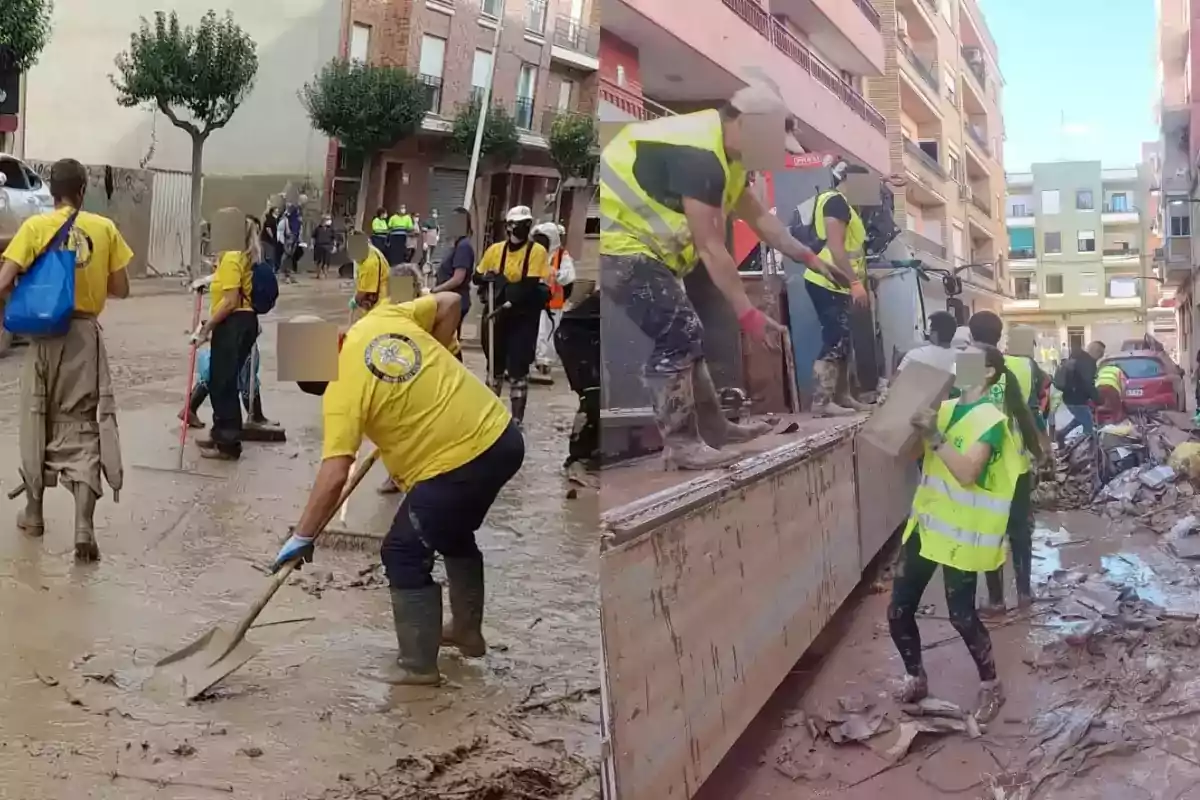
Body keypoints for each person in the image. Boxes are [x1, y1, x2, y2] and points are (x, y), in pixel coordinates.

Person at [272, 293, 525, 686]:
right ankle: (466, 632)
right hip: (502, 437)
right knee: (453, 530)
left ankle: (417, 666)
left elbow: (336, 472)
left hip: (459, 460)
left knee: (403, 550)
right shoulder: (382, 318)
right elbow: (450, 303)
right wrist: (432, 364)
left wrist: (302, 535)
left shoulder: (342, 391)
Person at [600, 82, 835, 470]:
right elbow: (710, 245)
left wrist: (808, 256)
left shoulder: (731, 159)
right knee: (680, 332)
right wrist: (747, 312)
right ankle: (682, 445)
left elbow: (760, 218)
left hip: (647, 250)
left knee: (685, 335)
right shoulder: (699, 155)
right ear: (744, 124)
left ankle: (714, 429)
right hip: (618, 243)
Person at [889, 344, 1041, 723]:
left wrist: (936, 437)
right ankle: (915, 676)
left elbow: (967, 472)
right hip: (926, 526)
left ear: (988, 372)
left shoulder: (991, 419)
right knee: (898, 610)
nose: (961, 364)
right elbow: (908, 456)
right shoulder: (942, 407)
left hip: (962, 535)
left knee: (962, 616)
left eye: (970, 359)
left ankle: (991, 685)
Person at [0, 159, 130, 562]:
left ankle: (35, 514)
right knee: (83, 425)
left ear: (52, 190)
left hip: (43, 336)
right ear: (83, 189)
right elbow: (121, 288)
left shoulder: (35, 228)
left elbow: (4, 280)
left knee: (36, 419)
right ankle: (83, 526)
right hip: (84, 338)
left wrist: (19, 304)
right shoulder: (104, 228)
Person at [967, 312, 1046, 615]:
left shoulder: (970, 365)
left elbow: (964, 415)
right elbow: (1025, 413)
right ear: (1000, 336)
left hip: (983, 465)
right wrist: (1039, 453)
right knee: (1020, 529)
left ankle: (997, 599)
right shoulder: (1018, 365)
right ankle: (1024, 592)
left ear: (972, 334)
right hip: (1015, 463)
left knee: (991, 530)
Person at [798, 158, 874, 417]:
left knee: (843, 340)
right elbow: (836, 246)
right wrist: (854, 282)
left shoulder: (843, 204)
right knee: (834, 337)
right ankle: (822, 402)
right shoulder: (836, 202)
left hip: (837, 281)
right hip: (828, 279)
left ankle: (842, 396)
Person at [190, 212, 262, 461]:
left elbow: (230, 301)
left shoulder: (232, 257)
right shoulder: (235, 256)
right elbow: (227, 284)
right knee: (223, 381)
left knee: (223, 383)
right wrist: (207, 280)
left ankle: (228, 444)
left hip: (235, 324)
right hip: (241, 323)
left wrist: (207, 327)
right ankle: (221, 435)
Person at [474, 205, 552, 427]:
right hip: (496, 314)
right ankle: (490, 413)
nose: (522, 229)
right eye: (518, 224)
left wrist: (505, 288)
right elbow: (476, 276)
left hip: (522, 316)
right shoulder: (495, 250)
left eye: (526, 224)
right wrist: (486, 278)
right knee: (495, 363)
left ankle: (517, 418)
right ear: (508, 226)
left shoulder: (536, 252)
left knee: (518, 366)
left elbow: (528, 286)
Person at [556, 286, 601, 483]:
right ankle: (577, 459)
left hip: (596, 334)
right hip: (575, 336)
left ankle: (596, 451)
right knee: (593, 396)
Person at [531, 221, 576, 385]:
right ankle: (534, 360)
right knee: (535, 331)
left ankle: (544, 363)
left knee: (546, 333)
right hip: (535, 299)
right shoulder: (536, 253)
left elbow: (568, 276)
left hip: (552, 302)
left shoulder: (561, 256)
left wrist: (553, 274)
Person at [431, 207, 474, 354]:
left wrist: (436, 290)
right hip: (449, 301)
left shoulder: (464, 247)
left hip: (455, 302)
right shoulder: (457, 245)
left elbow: (458, 278)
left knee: (448, 344)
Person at [1055, 341, 1104, 442]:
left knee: (1080, 418)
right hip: (1077, 400)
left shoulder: (1078, 358)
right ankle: (1085, 450)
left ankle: (1061, 434)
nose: (1101, 356)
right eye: (1100, 353)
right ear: (1095, 351)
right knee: (1089, 429)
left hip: (1070, 397)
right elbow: (1088, 384)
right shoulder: (1088, 363)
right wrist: (1098, 399)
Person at [353, 232, 390, 312]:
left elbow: (365, 291)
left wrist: (355, 300)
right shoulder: (371, 251)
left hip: (379, 302)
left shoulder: (370, 263)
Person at [1095, 359, 1128, 425]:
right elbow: (1123, 384)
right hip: (1111, 388)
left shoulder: (1102, 370)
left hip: (1098, 388)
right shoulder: (1118, 370)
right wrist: (1122, 397)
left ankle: (1098, 423)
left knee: (1099, 407)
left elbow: (1095, 380)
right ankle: (1115, 424)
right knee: (1117, 408)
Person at [312, 214, 335, 279]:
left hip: (327, 246)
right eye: (328, 219)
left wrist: (334, 246)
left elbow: (334, 238)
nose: (329, 221)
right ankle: (318, 274)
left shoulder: (331, 229)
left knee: (326, 261)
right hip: (318, 246)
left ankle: (325, 273)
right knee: (318, 261)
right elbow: (313, 237)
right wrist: (312, 244)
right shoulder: (318, 228)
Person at [421, 209, 441, 274]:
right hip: (428, 241)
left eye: (436, 213)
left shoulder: (436, 222)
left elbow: (438, 229)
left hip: (433, 241)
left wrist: (438, 236)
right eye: (434, 213)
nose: (435, 215)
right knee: (427, 255)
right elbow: (424, 232)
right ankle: (425, 268)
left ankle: (429, 266)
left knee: (431, 255)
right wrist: (425, 242)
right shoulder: (427, 222)